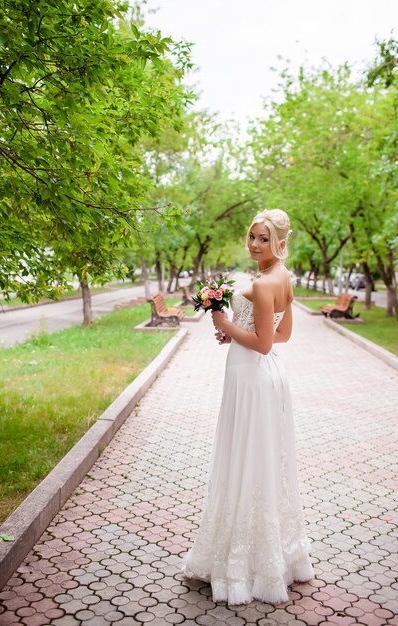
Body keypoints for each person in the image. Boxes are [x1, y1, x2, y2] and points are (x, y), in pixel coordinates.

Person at [181, 209, 314, 605]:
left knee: (244, 461)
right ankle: (276, 556)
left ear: (279, 242)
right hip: (266, 375)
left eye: (263, 239)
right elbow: (282, 333)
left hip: (252, 376)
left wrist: (223, 322)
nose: (254, 244)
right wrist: (236, 333)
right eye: (252, 237)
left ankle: (243, 566)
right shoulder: (282, 277)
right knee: (261, 462)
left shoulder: (264, 282)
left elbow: (264, 342)